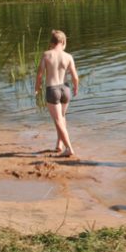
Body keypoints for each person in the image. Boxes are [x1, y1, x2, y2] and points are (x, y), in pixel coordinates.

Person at [35, 29, 80, 157]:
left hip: (52, 89)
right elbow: (75, 77)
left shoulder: (47, 55)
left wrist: (37, 88)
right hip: (65, 89)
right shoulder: (68, 56)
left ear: (51, 43)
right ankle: (59, 145)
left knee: (58, 120)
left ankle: (69, 148)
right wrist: (75, 88)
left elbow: (39, 75)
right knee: (62, 117)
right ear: (63, 42)